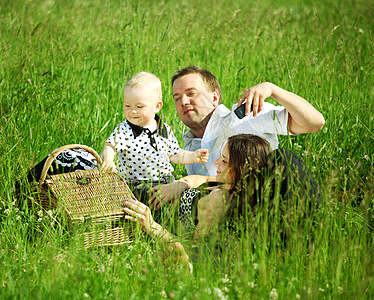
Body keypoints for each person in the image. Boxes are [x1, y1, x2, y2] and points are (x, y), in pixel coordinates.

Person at [123, 134, 322, 272]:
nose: (217, 162)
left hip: (155, 212)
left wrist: (151, 226)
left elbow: (193, 247)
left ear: (243, 170)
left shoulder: (220, 201)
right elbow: (199, 180)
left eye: (225, 161)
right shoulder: (229, 184)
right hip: (162, 194)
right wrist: (180, 184)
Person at [148, 65, 325, 209]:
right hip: (237, 219)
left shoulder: (245, 115)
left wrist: (272, 89)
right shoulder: (188, 149)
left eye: (191, 93)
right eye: (177, 98)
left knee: (282, 157)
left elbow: (314, 122)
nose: (183, 102)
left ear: (214, 97)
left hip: (276, 202)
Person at [100, 72, 209, 211]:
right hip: (136, 185)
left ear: (157, 107)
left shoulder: (164, 130)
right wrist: (108, 159)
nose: (132, 112)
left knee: (170, 209)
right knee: (138, 209)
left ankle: (168, 226)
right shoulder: (125, 129)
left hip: (165, 182)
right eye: (127, 106)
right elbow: (110, 145)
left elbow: (175, 155)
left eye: (139, 107)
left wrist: (193, 156)